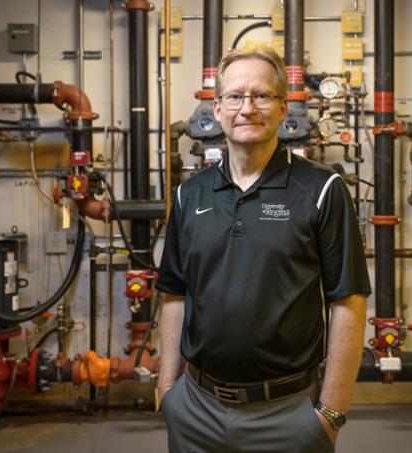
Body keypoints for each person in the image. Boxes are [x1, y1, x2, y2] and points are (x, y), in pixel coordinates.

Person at [156, 47, 371, 453]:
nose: (247, 108)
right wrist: (168, 390)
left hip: (287, 413)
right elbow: (173, 293)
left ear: (282, 107)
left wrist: (330, 413)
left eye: (261, 96)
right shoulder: (190, 194)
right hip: (196, 411)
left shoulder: (322, 190)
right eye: (235, 96)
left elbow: (349, 301)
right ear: (216, 109)